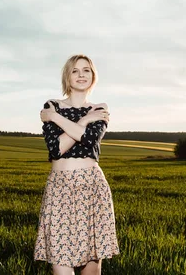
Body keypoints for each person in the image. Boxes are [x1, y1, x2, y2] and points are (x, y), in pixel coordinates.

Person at [34, 54, 120, 275]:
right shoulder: (52, 105)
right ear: (67, 76)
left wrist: (55, 118)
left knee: (92, 267)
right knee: (61, 266)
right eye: (75, 70)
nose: (81, 75)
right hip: (60, 189)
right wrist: (82, 122)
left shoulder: (99, 108)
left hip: (91, 187)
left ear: (93, 76)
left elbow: (89, 140)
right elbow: (56, 149)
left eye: (86, 70)